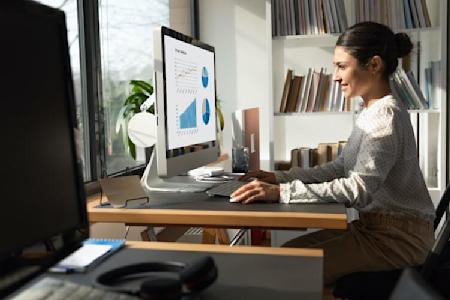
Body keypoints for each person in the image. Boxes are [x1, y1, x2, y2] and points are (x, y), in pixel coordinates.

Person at [230, 21, 435, 286]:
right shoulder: (371, 111)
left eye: (341, 66)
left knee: (284, 268)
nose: (335, 76)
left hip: (398, 240)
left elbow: (358, 189)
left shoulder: (385, 117)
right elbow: (340, 168)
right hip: (374, 229)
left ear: (374, 65)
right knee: (285, 255)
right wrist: (278, 178)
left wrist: (281, 192)